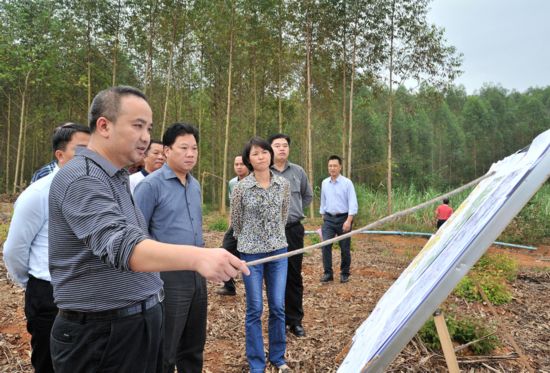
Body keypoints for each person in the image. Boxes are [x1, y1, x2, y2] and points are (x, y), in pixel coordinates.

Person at [47, 86, 249, 373]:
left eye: (149, 127)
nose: (146, 137)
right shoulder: (83, 178)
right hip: (103, 335)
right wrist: (199, 258)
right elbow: (121, 244)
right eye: (137, 126)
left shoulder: (115, 176)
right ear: (104, 125)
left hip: (138, 322)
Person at [3, 123, 90, 373]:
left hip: (88, 296)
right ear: (60, 155)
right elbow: (14, 250)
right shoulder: (38, 193)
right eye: (81, 150)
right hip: (49, 294)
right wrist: (31, 284)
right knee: (49, 363)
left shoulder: (96, 191)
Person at [134, 123, 206, 373]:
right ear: (166, 151)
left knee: (193, 346)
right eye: (183, 147)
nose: (190, 154)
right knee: (166, 349)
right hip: (167, 278)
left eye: (194, 148)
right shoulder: (150, 186)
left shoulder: (194, 185)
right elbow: (137, 237)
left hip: (198, 274)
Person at [231, 137, 291, 373]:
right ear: (248, 159)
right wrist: (249, 240)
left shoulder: (283, 184)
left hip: (278, 251)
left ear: (270, 155)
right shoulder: (241, 188)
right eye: (255, 154)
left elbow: (283, 215)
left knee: (277, 305)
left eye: (265, 152)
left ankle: (278, 357)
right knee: (255, 308)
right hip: (251, 255)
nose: (261, 156)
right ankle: (257, 363)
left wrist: (273, 237)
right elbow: (236, 222)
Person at [268, 133, 313, 338]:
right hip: (270, 231)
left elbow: (307, 195)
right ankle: (277, 319)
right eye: (277, 145)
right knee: (273, 275)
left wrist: (293, 212)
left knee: (294, 275)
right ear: (270, 149)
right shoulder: (264, 172)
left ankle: (295, 321)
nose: (281, 149)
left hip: (293, 230)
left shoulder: (298, 172)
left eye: (285, 145)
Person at [319, 155, 358, 284]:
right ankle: (328, 273)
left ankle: (345, 273)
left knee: (345, 248)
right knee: (325, 246)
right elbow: (323, 201)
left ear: (340, 167)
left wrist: (349, 220)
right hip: (329, 219)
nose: (332, 168)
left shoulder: (347, 183)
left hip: (344, 218)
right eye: (330, 166)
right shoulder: (325, 183)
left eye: (335, 166)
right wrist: (323, 215)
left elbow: (353, 202)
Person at [216, 155, 249, 296]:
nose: (239, 167)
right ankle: (229, 286)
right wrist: (230, 226)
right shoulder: (232, 183)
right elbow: (233, 207)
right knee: (225, 251)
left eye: (242, 164)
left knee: (249, 256)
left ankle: (252, 289)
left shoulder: (255, 181)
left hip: (251, 228)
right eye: (236, 164)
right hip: (235, 226)